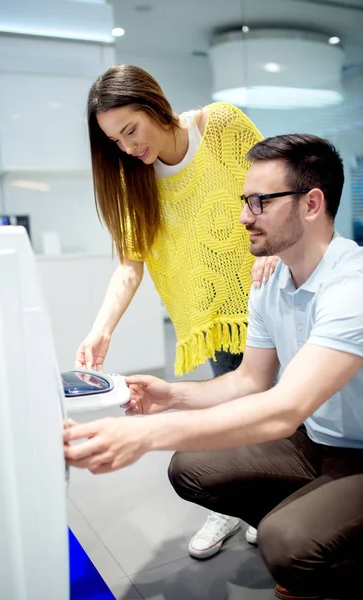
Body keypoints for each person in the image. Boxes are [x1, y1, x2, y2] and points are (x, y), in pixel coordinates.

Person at [64, 133, 363, 600]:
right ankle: (317, 519)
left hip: (357, 453)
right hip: (315, 438)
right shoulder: (271, 280)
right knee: (192, 468)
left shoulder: (351, 287)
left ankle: (327, 543)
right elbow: (249, 381)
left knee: (286, 543)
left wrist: (143, 436)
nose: (245, 216)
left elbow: (283, 408)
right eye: (246, 201)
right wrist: (170, 395)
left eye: (260, 202)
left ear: (311, 204)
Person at [74, 64, 278, 557]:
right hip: (216, 317)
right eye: (114, 141)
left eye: (131, 130)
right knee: (234, 409)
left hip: (273, 293)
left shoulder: (221, 126)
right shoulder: (132, 180)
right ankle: (239, 503)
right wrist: (101, 330)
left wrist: (274, 247)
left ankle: (277, 502)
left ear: (153, 105)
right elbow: (130, 265)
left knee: (292, 409)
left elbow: (276, 189)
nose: (127, 148)